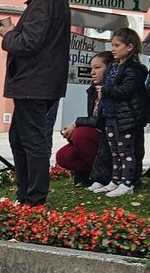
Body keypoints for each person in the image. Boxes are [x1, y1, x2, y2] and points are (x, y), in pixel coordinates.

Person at [0, 0, 71, 206]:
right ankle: (27, 196)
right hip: (37, 82)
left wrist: (8, 34)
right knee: (19, 138)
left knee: (32, 140)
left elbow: (29, 42)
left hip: (34, 83)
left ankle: (33, 200)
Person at [89, 29, 149, 197]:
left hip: (126, 117)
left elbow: (128, 89)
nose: (113, 49)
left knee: (126, 151)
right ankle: (115, 180)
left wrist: (106, 90)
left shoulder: (135, 69)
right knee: (114, 150)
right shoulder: (114, 66)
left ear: (129, 47)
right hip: (110, 115)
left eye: (117, 45)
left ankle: (127, 183)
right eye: (112, 45)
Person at [57, 52, 111, 187]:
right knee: (63, 156)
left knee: (81, 134)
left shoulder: (113, 90)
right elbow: (93, 117)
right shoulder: (92, 90)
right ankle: (88, 176)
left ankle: (107, 176)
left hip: (111, 138)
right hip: (97, 137)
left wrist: (76, 124)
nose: (92, 72)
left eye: (97, 68)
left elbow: (102, 120)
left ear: (110, 68)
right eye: (91, 68)